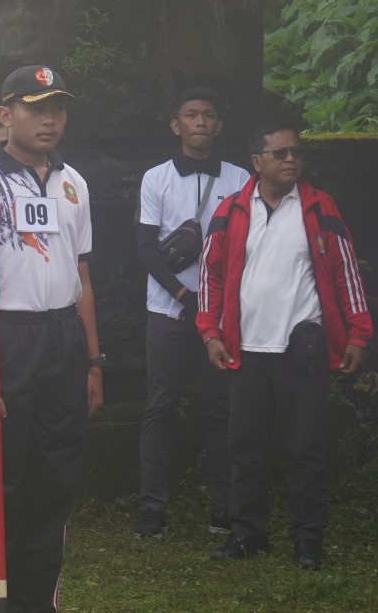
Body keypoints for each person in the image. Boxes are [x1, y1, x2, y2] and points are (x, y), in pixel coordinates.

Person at [0, 65, 101, 613]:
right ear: (5, 115)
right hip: (2, 334)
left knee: (54, 480)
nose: (50, 118)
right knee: (0, 482)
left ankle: (41, 601)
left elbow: (81, 275)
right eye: (37, 108)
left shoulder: (73, 182)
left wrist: (93, 360)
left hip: (62, 335)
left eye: (57, 107)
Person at [199, 123, 371, 570]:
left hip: (303, 350)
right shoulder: (232, 211)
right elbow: (210, 276)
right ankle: (247, 532)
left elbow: (346, 274)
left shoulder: (319, 207)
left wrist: (357, 334)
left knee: (307, 447)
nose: (290, 159)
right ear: (257, 161)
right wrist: (210, 332)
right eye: (279, 152)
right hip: (246, 351)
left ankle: (307, 538)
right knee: (245, 447)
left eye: (296, 151)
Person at [133, 89, 249, 538]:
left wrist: (216, 306)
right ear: (175, 125)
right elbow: (146, 249)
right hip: (168, 312)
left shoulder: (240, 178)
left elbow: (244, 247)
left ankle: (225, 508)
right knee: (160, 405)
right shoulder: (155, 178)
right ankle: (152, 511)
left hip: (221, 318)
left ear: (219, 127)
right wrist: (184, 296)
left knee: (222, 409)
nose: (200, 122)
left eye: (209, 116)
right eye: (191, 115)